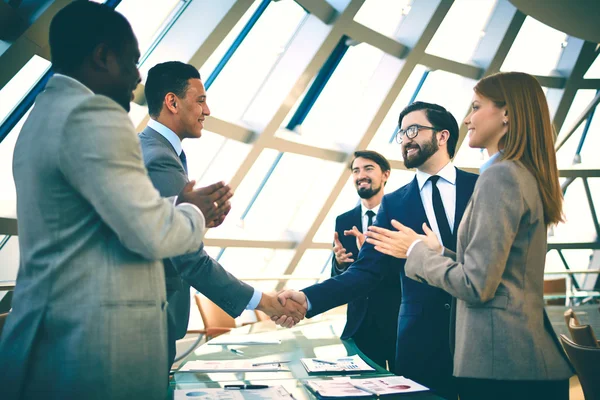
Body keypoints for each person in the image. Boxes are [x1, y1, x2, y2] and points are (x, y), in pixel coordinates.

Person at [0, 2, 234, 399]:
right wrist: (196, 211)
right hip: (92, 352)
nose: (138, 77)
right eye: (131, 61)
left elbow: (109, 221)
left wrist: (178, 206)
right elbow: (151, 233)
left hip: (48, 344)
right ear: (102, 56)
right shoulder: (94, 114)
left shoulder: (41, 116)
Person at [365, 72, 574, 400]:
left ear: (506, 113)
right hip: (523, 359)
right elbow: (498, 273)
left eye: (476, 107)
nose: (467, 119)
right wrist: (440, 253)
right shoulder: (521, 172)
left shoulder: (499, 177)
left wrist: (417, 251)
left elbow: (477, 286)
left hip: (503, 363)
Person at [277, 102, 478, 399]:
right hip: (420, 345)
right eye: (401, 133)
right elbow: (366, 271)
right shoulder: (394, 204)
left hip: (479, 336)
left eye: (413, 129)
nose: (405, 139)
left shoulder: (480, 187)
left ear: (442, 136)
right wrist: (308, 298)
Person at [140, 61, 306, 369]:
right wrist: (266, 303)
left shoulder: (154, 150)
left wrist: (195, 219)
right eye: (200, 100)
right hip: (148, 323)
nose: (207, 110)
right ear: (172, 102)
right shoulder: (160, 159)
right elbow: (187, 258)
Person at [331, 150, 400, 370]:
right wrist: (340, 264)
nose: (361, 175)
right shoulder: (343, 221)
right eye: (356, 170)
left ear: (386, 175)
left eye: (368, 168)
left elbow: (409, 269)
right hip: (360, 327)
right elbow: (340, 280)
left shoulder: (401, 216)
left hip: (398, 323)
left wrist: (372, 253)